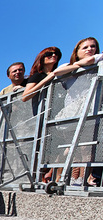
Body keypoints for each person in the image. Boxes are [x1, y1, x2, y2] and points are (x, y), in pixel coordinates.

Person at [54, 37, 102, 186]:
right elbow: (57, 72)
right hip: (72, 113)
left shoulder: (98, 61)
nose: (90, 49)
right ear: (77, 51)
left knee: (87, 147)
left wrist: (88, 62)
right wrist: (78, 65)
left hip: (90, 112)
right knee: (74, 150)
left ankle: (85, 179)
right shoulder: (70, 66)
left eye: (93, 46)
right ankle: (75, 179)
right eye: (85, 47)